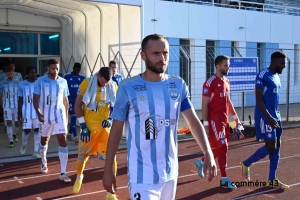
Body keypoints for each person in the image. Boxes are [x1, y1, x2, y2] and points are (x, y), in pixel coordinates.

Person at [102, 34, 217, 199]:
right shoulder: (128, 87)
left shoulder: (178, 85)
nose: (162, 58)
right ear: (143, 55)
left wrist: (208, 152)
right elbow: (116, 129)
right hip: (141, 176)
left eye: (165, 53)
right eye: (155, 53)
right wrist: (108, 169)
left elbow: (193, 121)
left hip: (170, 174)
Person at [240, 51, 289, 190]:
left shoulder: (276, 77)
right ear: (274, 62)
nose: (283, 66)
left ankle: (272, 179)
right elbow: (259, 99)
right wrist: (269, 117)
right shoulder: (263, 75)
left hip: (276, 116)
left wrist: (276, 117)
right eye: (282, 63)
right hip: (265, 116)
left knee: (277, 146)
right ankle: (246, 163)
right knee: (271, 146)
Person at [194, 55, 243, 190]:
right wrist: (206, 125)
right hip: (215, 121)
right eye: (225, 65)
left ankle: (202, 161)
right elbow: (204, 105)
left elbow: (228, 101)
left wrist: (236, 118)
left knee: (220, 148)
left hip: (224, 121)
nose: (228, 68)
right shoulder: (210, 82)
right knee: (223, 147)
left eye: (228, 65)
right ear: (218, 66)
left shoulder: (227, 81)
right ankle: (224, 179)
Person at [73, 67, 118, 200]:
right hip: (88, 127)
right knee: (82, 156)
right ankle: (79, 177)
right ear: (98, 75)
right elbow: (77, 105)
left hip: (104, 128)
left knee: (111, 158)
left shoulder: (113, 85)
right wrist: (83, 126)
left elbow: (118, 106)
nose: (104, 85)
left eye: (106, 83)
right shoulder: (86, 83)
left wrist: (110, 119)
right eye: (103, 82)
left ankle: (111, 192)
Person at [33, 59, 71, 183]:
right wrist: (38, 113)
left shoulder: (63, 82)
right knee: (44, 140)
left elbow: (65, 101)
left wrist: (66, 118)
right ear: (48, 68)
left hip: (59, 116)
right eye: (53, 68)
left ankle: (63, 172)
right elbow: (35, 99)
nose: (55, 71)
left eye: (57, 69)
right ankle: (43, 162)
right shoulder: (41, 81)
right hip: (45, 117)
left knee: (62, 139)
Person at [18, 66, 41, 158]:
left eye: (35, 72)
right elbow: (20, 99)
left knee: (37, 130)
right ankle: (24, 143)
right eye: (32, 72)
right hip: (26, 112)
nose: (34, 74)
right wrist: (18, 113)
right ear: (27, 74)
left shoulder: (38, 83)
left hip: (37, 112)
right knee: (27, 131)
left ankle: (36, 151)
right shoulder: (22, 84)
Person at [0, 65, 21, 148]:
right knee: (8, 123)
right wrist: (2, 104)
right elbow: (0, 94)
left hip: (16, 106)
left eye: (11, 74)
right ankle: (11, 140)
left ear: (13, 73)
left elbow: (20, 94)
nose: (10, 75)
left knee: (17, 124)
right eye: (8, 74)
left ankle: (14, 134)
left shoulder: (18, 83)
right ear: (6, 74)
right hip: (7, 105)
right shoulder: (2, 83)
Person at [64, 62, 85, 143]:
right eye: (76, 69)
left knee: (74, 117)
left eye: (79, 70)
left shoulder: (82, 77)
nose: (77, 71)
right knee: (73, 116)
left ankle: (69, 134)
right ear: (73, 68)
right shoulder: (67, 76)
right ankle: (76, 136)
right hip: (69, 100)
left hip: (78, 100)